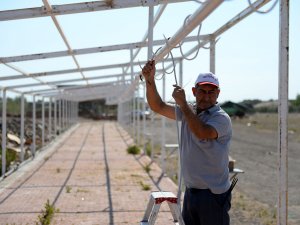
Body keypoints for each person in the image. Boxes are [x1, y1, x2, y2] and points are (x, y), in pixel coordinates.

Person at [142, 59, 232, 225]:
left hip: (213, 195)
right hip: (191, 191)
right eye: (202, 91)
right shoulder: (188, 111)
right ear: (194, 91)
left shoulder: (221, 118)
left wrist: (183, 104)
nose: (206, 96)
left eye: (211, 92)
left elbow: (202, 132)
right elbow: (158, 106)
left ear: (218, 93)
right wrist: (149, 80)